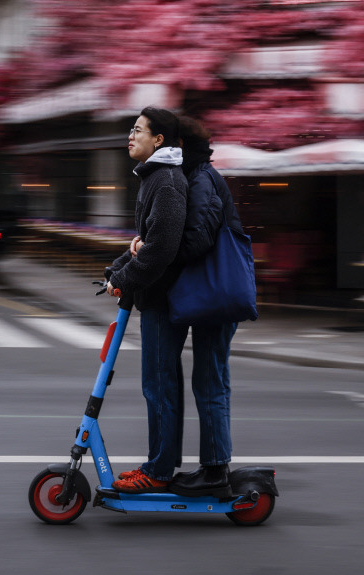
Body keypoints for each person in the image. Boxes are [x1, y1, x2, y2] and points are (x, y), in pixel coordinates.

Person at [127, 116, 243, 497]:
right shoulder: (190, 176)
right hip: (203, 292)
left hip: (215, 292)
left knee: (210, 380)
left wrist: (152, 250)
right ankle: (208, 467)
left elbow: (196, 240)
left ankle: (214, 471)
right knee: (207, 380)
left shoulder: (200, 178)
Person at [105, 107, 188, 493]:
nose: (130, 135)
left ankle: (158, 473)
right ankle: (161, 464)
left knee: (159, 387)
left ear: (159, 140)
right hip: (156, 299)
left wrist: (124, 279)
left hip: (162, 301)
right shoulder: (154, 178)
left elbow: (160, 250)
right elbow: (144, 243)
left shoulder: (166, 181)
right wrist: (115, 270)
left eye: (138, 130)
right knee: (160, 385)